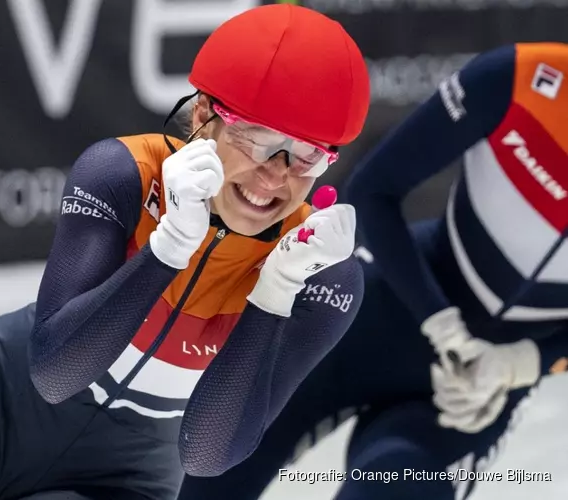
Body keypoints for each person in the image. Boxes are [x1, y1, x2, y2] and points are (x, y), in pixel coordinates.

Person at [0, 4, 371, 500]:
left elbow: (208, 454)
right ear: (204, 113)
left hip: (122, 476)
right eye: (258, 138)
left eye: (306, 156)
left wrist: (274, 293)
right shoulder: (123, 173)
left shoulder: (321, 273)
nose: (273, 177)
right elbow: (55, 375)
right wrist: (169, 246)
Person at [176, 41, 568, 500]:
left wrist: (521, 365)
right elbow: (374, 190)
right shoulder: (524, 77)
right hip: (395, 303)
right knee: (216, 465)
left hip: (473, 391)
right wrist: (443, 325)